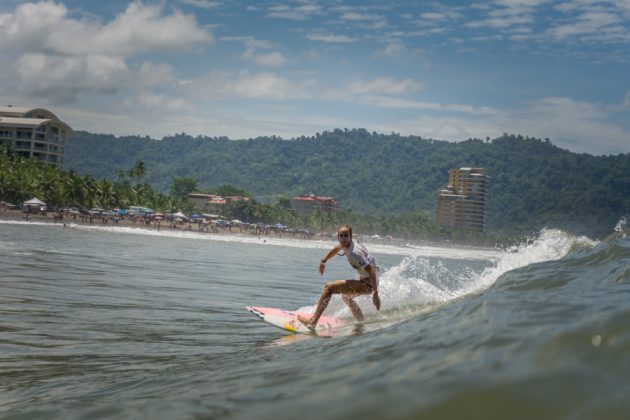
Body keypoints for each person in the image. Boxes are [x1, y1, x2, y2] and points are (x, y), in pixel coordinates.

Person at [298, 224, 380, 329]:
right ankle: (361, 323)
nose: (343, 238)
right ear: (338, 237)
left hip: (369, 284)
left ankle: (312, 321)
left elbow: (371, 270)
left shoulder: (354, 253)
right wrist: (323, 261)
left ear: (351, 236)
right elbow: (336, 249)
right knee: (346, 297)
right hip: (368, 281)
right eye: (341, 236)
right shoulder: (346, 244)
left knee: (329, 288)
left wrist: (375, 293)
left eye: (346, 236)